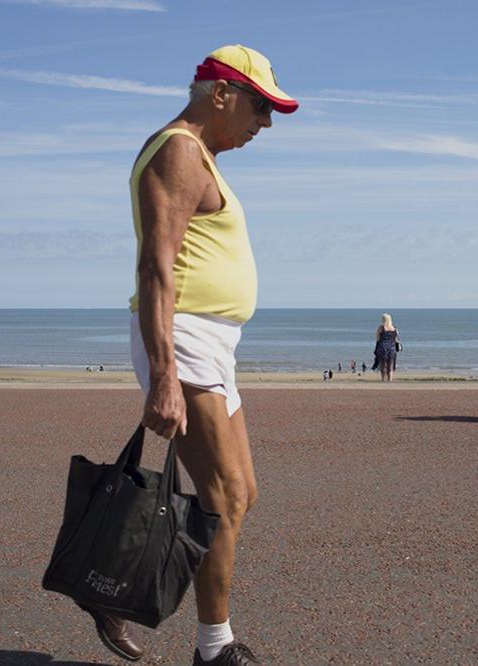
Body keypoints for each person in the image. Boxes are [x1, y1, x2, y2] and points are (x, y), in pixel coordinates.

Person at [119, 44, 297, 666]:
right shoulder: (179, 151)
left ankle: (120, 584)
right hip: (185, 337)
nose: (265, 123)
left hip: (210, 341)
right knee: (220, 494)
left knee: (241, 492)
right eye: (260, 106)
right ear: (219, 93)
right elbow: (155, 265)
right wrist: (164, 373)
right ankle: (213, 650)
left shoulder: (199, 156)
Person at [374, 313, 399, 382]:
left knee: (383, 365)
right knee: (390, 365)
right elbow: (397, 339)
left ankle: (383, 380)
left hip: (383, 347)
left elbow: (378, 339)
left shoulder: (381, 327)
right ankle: (390, 380)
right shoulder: (394, 328)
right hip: (392, 348)